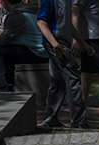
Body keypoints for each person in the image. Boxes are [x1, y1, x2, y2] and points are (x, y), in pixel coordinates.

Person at [0, 0, 48, 93]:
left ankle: (4, 89)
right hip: (41, 52)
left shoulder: (16, 15)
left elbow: (4, 40)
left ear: (5, 2)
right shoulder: (31, 12)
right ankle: (9, 83)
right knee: (7, 53)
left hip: (35, 54)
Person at [36, 0, 87, 128]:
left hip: (63, 42)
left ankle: (50, 118)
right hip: (56, 43)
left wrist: (82, 43)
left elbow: (68, 24)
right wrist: (55, 45)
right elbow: (41, 23)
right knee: (73, 79)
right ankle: (79, 121)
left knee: (58, 82)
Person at [71, 0, 99, 113]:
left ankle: (80, 111)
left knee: (87, 74)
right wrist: (76, 39)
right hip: (93, 38)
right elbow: (75, 12)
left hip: (98, 36)